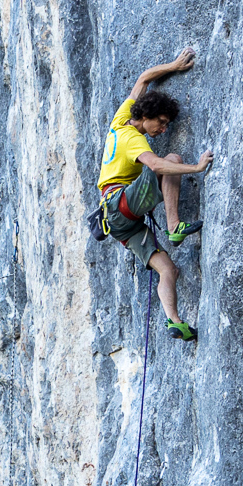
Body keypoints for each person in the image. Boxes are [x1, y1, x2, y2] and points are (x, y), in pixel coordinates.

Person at [97, 46, 214, 342]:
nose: (162, 129)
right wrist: (196, 167)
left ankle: (175, 321)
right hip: (120, 203)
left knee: (167, 269)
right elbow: (156, 164)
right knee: (172, 160)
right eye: (160, 122)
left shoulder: (121, 118)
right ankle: (174, 226)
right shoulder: (132, 139)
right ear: (146, 115)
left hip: (118, 221)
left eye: (165, 125)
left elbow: (144, 78)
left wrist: (175, 66)